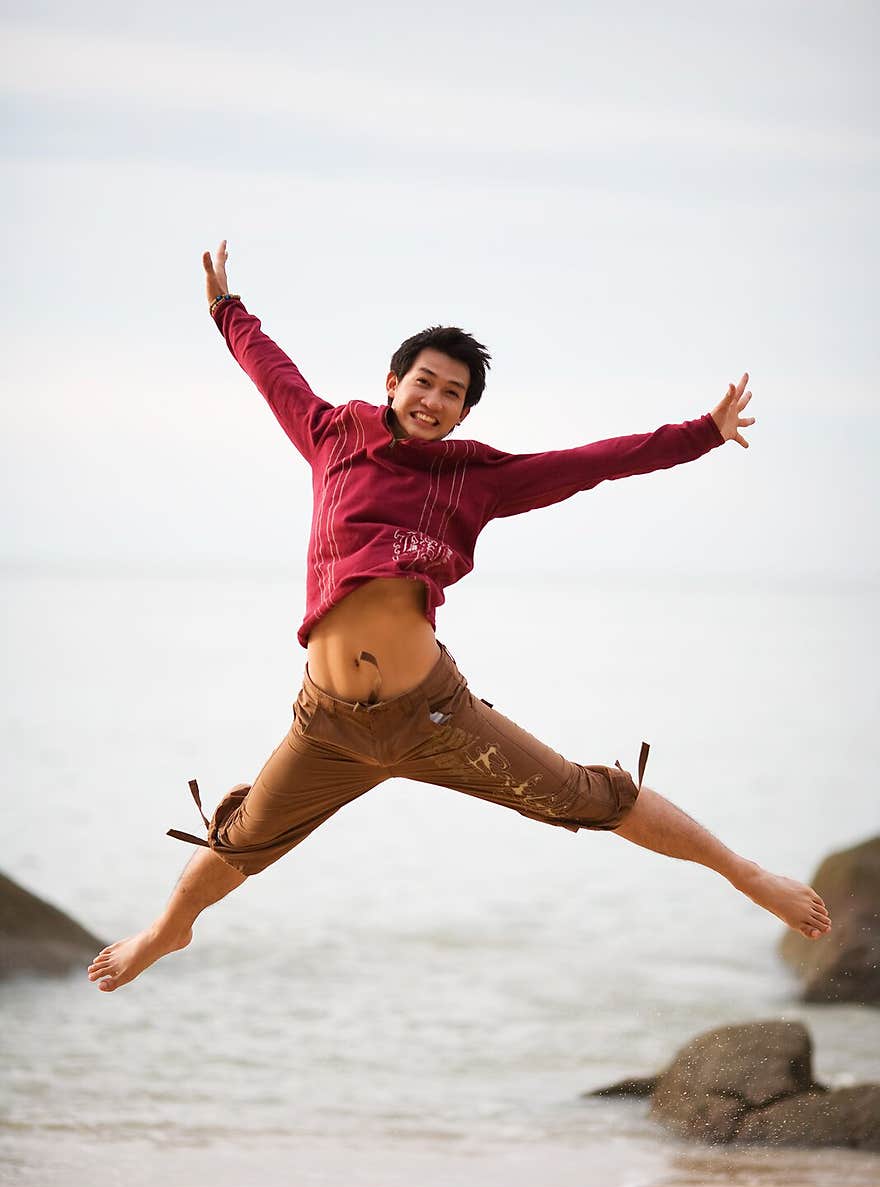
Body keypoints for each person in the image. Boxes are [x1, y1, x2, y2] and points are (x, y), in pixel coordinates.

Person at [88, 240, 831, 993]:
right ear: (393, 382)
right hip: (329, 725)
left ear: (465, 409)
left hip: (435, 718)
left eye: (453, 393)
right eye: (424, 382)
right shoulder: (333, 435)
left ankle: (745, 875)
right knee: (240, 842)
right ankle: (167, 929)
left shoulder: (478, 477)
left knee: (586, 795)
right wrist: (226, 308)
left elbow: (594, 461)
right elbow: (270, 373)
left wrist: (701, 433)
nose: (433, 400)